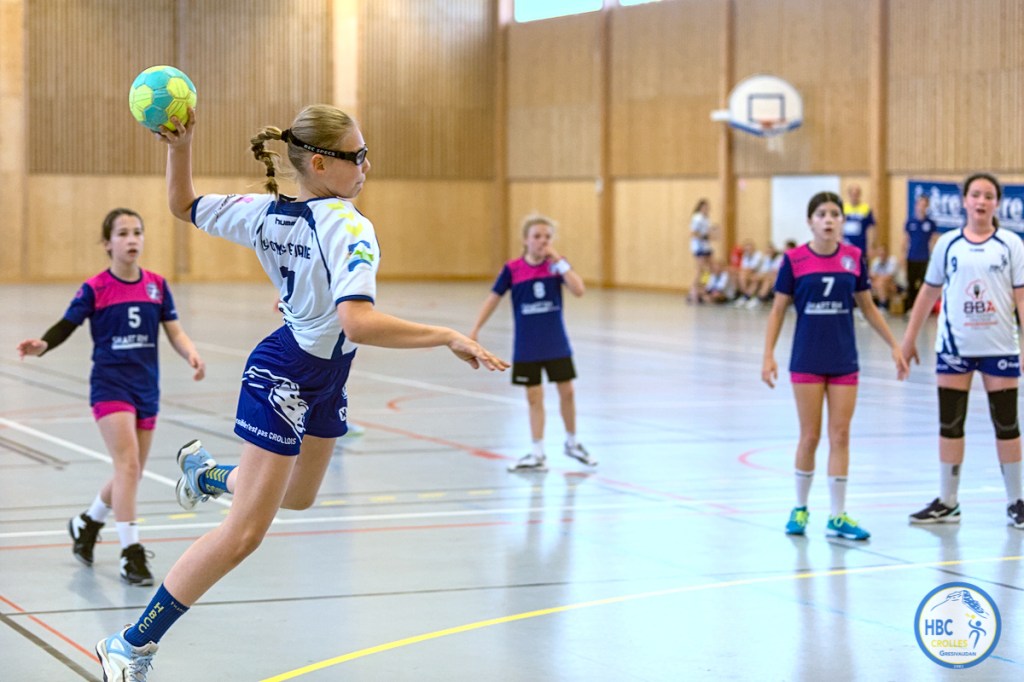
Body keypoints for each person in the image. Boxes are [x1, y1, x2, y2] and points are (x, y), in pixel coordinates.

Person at [95, 104, 508, 680]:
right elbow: (358, 322)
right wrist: (445, 335)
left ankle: (206, 475)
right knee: (243, 534)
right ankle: (131, 644)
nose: (367, 165)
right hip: (285, 372)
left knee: (299, 496)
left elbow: (183, 205)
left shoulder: (266, 212)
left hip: (325, 376)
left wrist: (180, 149)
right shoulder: (347, 225)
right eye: (358, 155)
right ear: (319, 163)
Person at [17, 208, 205, 587]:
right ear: (107, 243)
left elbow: (174, 330)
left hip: (146, 388)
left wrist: (190, 353)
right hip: (110, 386)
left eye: (137, 232)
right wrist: (43, 345)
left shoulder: (156, 286)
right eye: (122, 233)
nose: (132, 239)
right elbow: (66, 325)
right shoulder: (96, 288)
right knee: (128, 466)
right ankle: (130, 553)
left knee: (128, 472)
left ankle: (87, 523)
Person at [762, 192, 908, 540]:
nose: (828, 219)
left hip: (843, 359)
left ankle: (838, 516)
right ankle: (800, 508)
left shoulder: (853, 258)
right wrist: (768, 354)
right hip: (807, 359)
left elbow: (868, 307)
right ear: (810, 221)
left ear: (842, 220)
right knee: (810, 436)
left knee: (840, 435)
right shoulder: (794, 260)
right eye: (821, 214)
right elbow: (778, 309)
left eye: (834, 214)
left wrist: (894, 345)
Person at [902, 173, 1024, 530]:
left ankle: (1016, 501)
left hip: (999, 346)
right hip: (955, 347)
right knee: (950, 423)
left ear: (997, 203)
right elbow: (928, 292)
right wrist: (908, 340)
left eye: (988, 196)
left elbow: (1021, 298)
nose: (981, 201)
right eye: (975, 195)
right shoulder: (948, 244)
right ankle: (948, 501)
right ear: (965, 200)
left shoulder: (1011, 244)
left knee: (1007, 424)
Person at [469, 214, 595, 473]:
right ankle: (537, 453)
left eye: (547, 237)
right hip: (527, 346)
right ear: (525, 240)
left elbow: (579, 290)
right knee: (534, 396)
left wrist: (558, 260)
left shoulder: (557, 267)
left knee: (567, 392)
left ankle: (572, 443)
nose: (543, 241)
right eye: (537, 236)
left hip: (556, 343)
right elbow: (493, 298)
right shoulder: (513, 269)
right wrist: (476, 328)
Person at [902, 194, 938, 310]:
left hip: (924, 258)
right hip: (912, 257)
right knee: (911, 284)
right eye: (920, 204)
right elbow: (905, 240)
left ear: (927, 206)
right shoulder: (910, 222)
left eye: (924, 205)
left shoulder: (930, 223)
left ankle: (923, 308)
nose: (922, 207)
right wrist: (903, 256)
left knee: (924, 285)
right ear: (916, 205)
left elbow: (933, 241)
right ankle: (911, 308)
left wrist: (934, 258)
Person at [687, 198, 716, 304]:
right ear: (700, 208)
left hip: (706, 246)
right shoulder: (697, 218)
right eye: (704, 207)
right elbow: (693, 233)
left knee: (708, 269)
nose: (706, 209)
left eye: (707, 207)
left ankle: (702, 289)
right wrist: (704, 236)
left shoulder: (706, 218)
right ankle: (692, 292)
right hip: (699, 247)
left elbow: (708, 232)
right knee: (700, 270)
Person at [842, 183, 876, 254]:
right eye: (853, 194)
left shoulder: (866, 209)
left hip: (861, 246)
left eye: (856, 194)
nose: (854, 196)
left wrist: (871, 245)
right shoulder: (843, 209)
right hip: (846, 245)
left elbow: (872, 228)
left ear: (860, 194)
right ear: (849, 194)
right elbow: (838, 227)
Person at [868, 243, 900, 310]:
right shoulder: (876, 262)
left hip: (894, 285)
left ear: (887, 253)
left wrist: (878, 278)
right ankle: (878, 306)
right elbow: (871, 275)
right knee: (874, 284)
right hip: (879, 284)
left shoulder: (893, 261)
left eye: (883, 253)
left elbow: (889, 277)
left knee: (881, 284)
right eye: (880, 253)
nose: (881, 254)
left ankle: (883, 306)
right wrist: (878, 279)